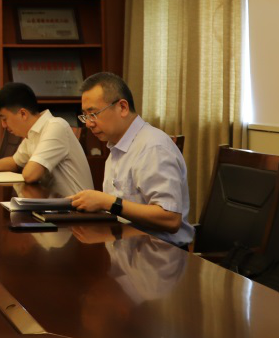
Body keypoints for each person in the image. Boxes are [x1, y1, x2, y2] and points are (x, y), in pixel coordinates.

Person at [67, 72, 194, 246]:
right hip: (127, 245)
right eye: (85, 116)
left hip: (160, 253)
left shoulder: (153, 147)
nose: (89, 124)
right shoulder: (116, 147)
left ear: (123, 107)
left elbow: (170, 219)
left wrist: (107, 202)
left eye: (94, 114)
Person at [0, 83, 93, 196]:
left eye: (4, 119)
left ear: (23, 114)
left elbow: (30, 175)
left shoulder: (56, 126)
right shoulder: (32, 133)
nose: (3, 125)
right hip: (53, 205)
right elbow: (15, 162)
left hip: (77, 209)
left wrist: (28, 167)